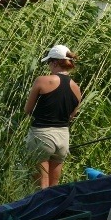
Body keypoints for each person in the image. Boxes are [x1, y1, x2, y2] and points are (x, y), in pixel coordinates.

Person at [25, 44, 82, 189]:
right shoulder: (77, 88)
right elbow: (71, 116)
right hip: (63, 137)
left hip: (42, 135)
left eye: (49, 62)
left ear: (55, 62)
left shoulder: (42, 81)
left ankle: (39, 211)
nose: (49, 66)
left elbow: (28, 109)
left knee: (41, 188)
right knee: (54, 188)